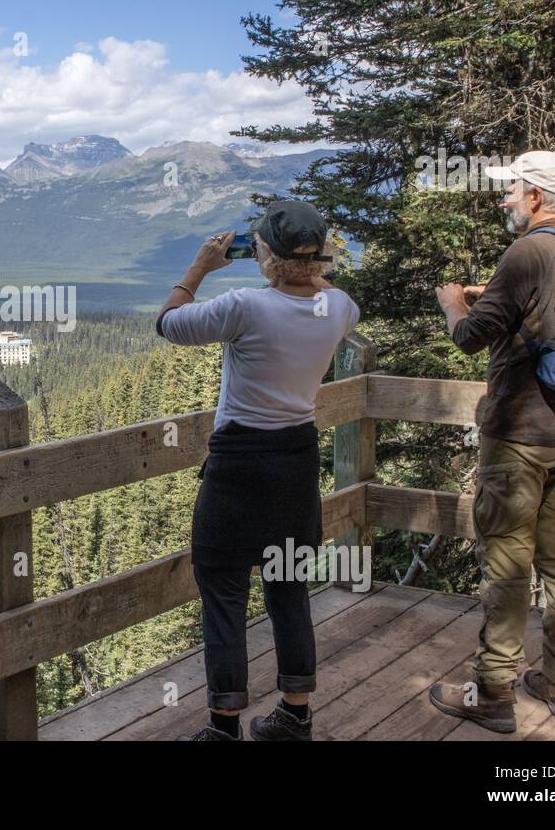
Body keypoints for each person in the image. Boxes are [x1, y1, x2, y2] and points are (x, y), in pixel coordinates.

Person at [156, 200, 360, 741]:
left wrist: (200, 266)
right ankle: (295, 716)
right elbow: (326, 287)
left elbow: (169, 324)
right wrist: (309, 265)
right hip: (295, 464)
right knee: (289, 587)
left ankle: (224, 727)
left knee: (223, 590)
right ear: (321, 257)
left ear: (262, 252)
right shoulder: (339, 308)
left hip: (238, 467)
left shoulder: (244, 305)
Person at [429, 150, 555, 733]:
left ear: (538, 198)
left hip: (519, 433)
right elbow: (544, 312)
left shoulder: (528, 249)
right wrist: (493, 291)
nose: (505, 199)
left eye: (513, 190)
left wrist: (453, 305)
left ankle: (494, 693)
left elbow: (473, 338)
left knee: (505, 565)